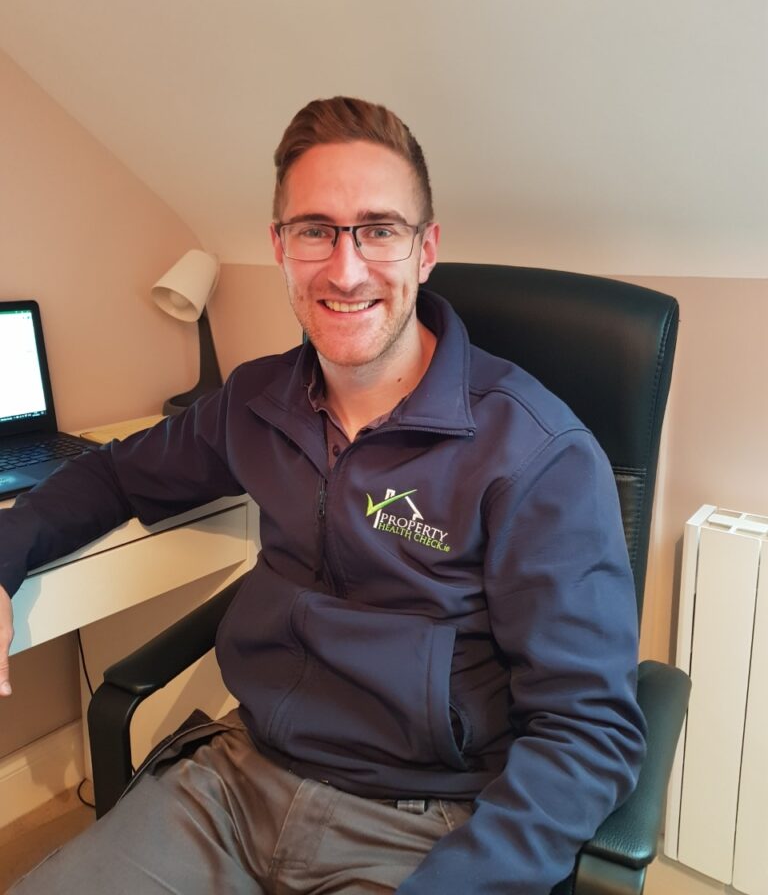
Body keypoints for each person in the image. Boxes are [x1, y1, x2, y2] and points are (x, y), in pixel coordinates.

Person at [0, 97, 645, 894]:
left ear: (425, 249)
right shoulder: (257, 400)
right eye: (315, 230)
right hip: (234, 785)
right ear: (280, 247)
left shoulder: (535, 453)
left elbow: (589, 732)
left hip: (425, 823)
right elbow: (114, 473)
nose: (345, 269)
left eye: (379, 229)